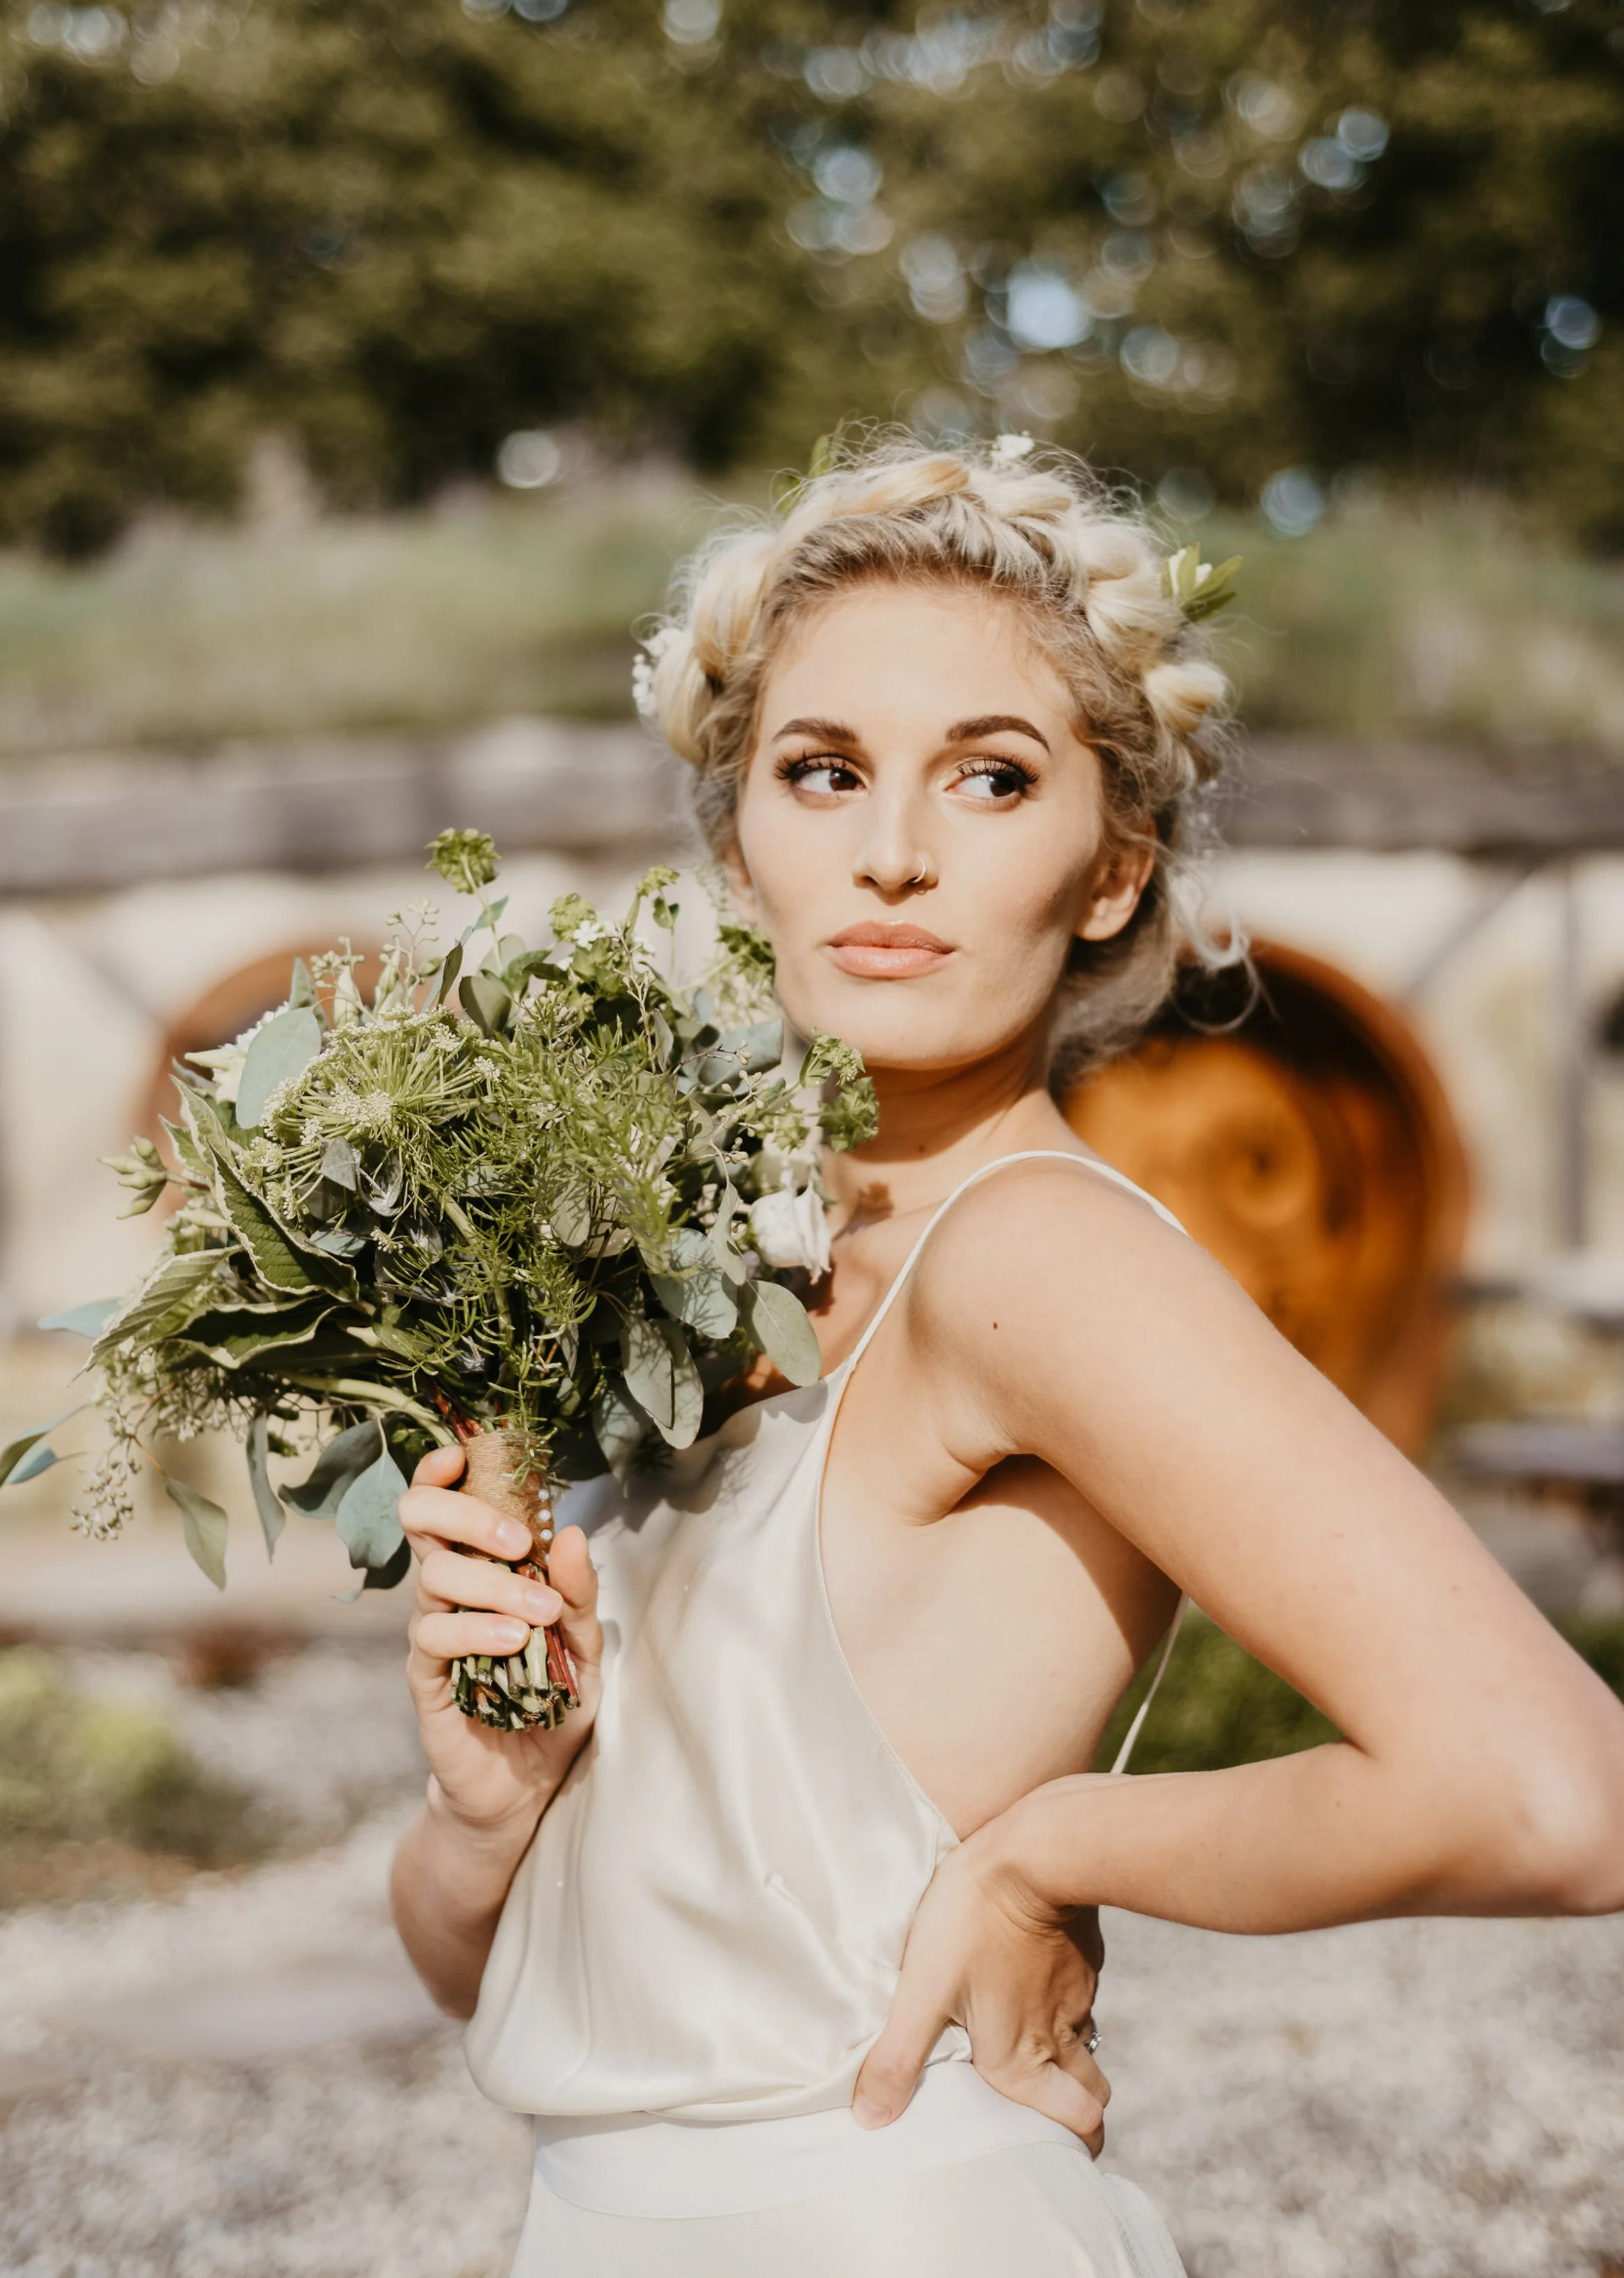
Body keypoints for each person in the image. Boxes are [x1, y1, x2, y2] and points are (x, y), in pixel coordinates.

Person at [390, 436, 1624, 2277]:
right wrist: (491, 1807)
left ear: (1112, 865)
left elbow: (1551, 1794)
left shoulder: (1032, 1253)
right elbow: (498, 1969)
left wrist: (1059, 1842)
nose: (891, 848)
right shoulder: (696, 1279)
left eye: (990, 775)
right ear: (741, 842)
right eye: (823, 772)